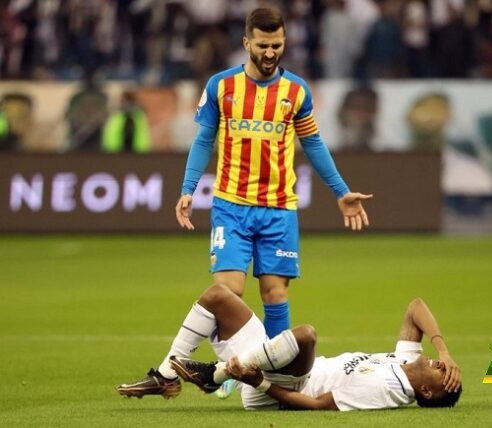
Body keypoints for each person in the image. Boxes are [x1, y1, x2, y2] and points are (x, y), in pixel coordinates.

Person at [117, 7, 372, 399]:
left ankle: (263, 378)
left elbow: (314, 143)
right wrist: (188, 188)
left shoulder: (296, 91)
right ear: (247, 43)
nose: (271, 52)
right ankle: (225, 372)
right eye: (263, 45)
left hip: (278, 209)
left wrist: (341, 191)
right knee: (227, 292)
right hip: (231, 205)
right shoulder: (222, 86)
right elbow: (204, 140)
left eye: (277, 45)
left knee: (275, 293)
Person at [159, 283, 462, 411]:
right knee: (218, 296)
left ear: (426, 392)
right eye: (445, 365)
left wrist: (259, 382)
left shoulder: (388, 390)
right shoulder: (405, 361)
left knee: (306, 336)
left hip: (286, 385)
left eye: (443, 374)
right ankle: (168, 374)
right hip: (269, 368)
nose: (441, 365)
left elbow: (317, 405)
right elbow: (415, 307)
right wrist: (445, 350)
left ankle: (219, 374)